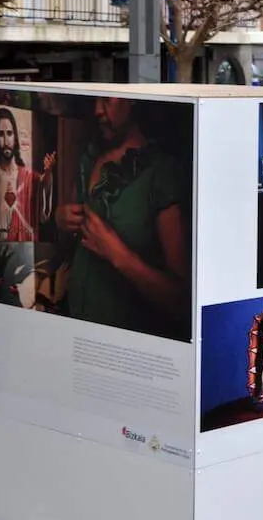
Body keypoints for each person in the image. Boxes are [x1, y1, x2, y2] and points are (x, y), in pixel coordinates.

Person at [54, 97, 191, 341]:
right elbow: (70, 241)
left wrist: (119, 255)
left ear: (133, 101)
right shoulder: (87, 156)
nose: (97, 110)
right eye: (94, 100)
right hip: (74, 331)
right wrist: (61, 220)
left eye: (107, 101)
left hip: (127, 345)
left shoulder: (160, 173)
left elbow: (180, 301)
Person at [0, 107, 54, 242]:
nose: (6, 141)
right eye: (1, 134)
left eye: (9, 133)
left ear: (15, 137)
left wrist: (48, 173)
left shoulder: (28, 177)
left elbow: (43, 213)